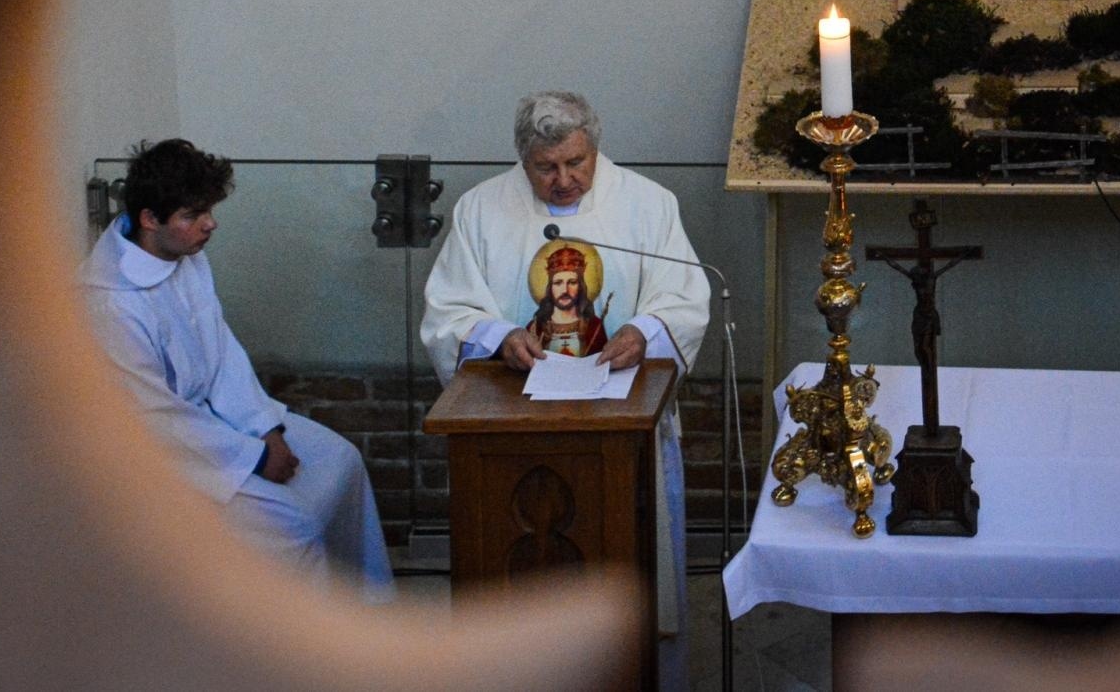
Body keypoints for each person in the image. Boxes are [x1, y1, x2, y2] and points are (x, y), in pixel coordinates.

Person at [421, 92, 709, 685]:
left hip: (622, 423)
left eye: (577, 163)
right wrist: (500, 335)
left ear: (595, 148)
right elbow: (446, 310)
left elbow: (684, 297)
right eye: (545, 168)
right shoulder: (481, 209)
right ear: (522, 160)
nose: (564, 180)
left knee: (633, 572)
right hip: (515, 424)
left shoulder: (648, 205)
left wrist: (644, 329)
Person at [80, 138, 392, 599]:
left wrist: (265, 428)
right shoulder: (110, 303)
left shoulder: (183, 255)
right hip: (165, 456)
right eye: (193, 215)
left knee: (341, 460)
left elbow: (222, 352)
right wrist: (253, 457)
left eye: (208, 209)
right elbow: (155, 422)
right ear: (149, 219)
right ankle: (310, 653)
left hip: (215, 421)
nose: (211, 224)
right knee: (293, 526)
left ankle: (369, 613)